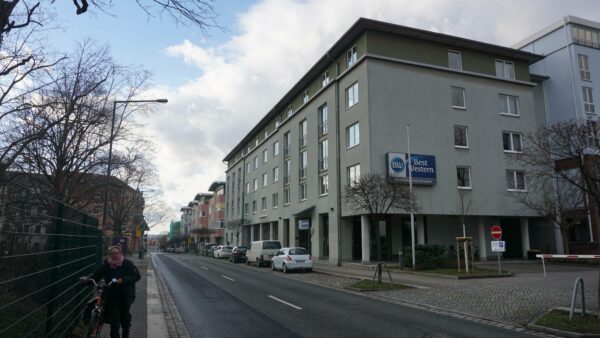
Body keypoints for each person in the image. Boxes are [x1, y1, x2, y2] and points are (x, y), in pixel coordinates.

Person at [82, 245, 141, 338]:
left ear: (120, 253)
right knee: (114, 320)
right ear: (109, 255)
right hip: (111, 295)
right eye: (112, 253)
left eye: (117, 253)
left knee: (125, 317)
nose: (115, 255)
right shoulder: (106, 265)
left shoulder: (127, 263)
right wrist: (87, 280)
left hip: (125, 294)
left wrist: (123, 280)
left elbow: (136, 276)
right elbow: (96, 276)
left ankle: (126, 334)